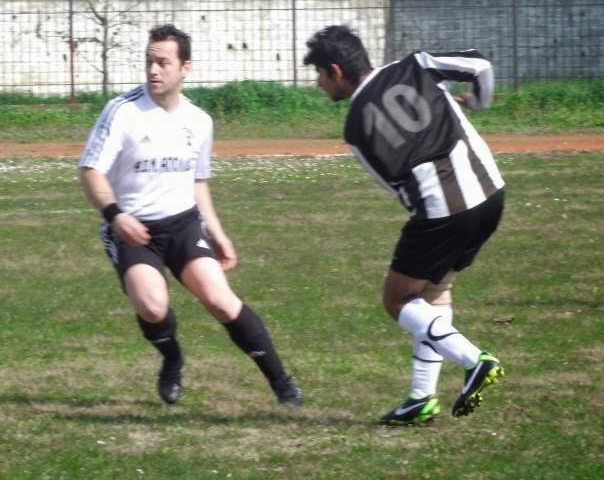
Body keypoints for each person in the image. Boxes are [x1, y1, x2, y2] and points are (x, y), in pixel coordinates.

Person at [79, 24, 302, 406]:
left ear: (185, 68)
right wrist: (116, 215)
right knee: (152, 306)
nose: (153, 70)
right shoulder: (122, 112)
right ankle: (172, 359)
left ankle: (282, 384)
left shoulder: (199, 121)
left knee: (220, 300)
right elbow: (90, 171)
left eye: (163, 62)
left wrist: (218, 232)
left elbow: (198, 181)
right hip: (134, 230)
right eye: (149, 61)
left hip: (183, 224)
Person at [303, 25, 505, 425]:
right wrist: (477, 103)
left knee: (397, 300)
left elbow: (396, 186)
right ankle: (421, 398)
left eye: (320, 75)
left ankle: (473, 360)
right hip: (492, 194)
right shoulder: (416, 65)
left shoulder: (356, 127)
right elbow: (480, 65)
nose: (319, 84)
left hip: (443, 211)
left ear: (336, 70)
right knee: (434, 291)